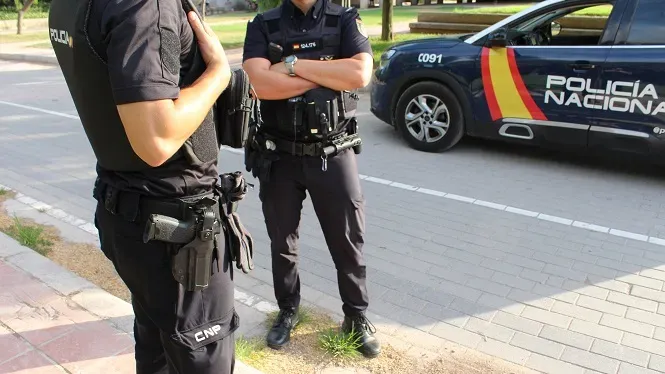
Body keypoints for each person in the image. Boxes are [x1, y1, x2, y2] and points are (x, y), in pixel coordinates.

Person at [47, 0, 240, 372]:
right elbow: (156, 140)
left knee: (156, 348)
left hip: (132, 217)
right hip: (177, 233)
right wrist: (218, 73)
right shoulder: (144, 5)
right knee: (198, 356)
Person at [242, 0, 381, 358]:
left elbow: (360, 74)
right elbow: (258, 83)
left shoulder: (345, 19)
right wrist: (324, 74)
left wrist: (290, 66)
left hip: (332, 153)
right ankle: (287, 310)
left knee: (348, 240)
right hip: (280, 156)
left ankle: (356, 316)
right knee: (282, 242)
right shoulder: (264, 24)